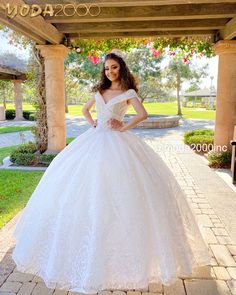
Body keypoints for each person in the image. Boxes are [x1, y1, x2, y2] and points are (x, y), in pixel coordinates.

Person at [12, 52, 211, 294]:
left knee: (124, 191)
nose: (109, 71)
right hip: (94, 141)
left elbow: (142, 114)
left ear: (121, 68)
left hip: (119, 142)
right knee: (87, 189)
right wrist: (94, 124)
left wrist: (123, 126)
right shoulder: (98, 91)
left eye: (114, 67)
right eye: (106, 68)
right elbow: (86, 110)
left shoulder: (128, 93)